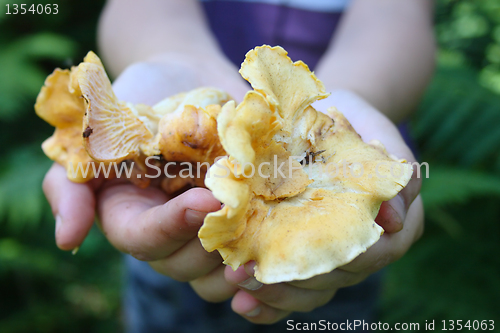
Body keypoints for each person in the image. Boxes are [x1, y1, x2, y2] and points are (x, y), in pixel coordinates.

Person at [43, 0, 433, 331]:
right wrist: (172, 59)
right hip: (173, 237)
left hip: (339, 259)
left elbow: (399, 14)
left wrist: (357, 96)